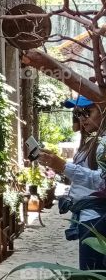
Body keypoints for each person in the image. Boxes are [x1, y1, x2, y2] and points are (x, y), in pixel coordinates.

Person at [35, 97, 106, 270]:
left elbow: (101, 181)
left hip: (97, 218)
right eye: (78, 114)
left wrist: (63, 166)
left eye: (87, 112)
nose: (82, 118)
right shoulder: (92, 141)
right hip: (87, 217)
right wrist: (56, 163)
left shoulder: (103, 144)